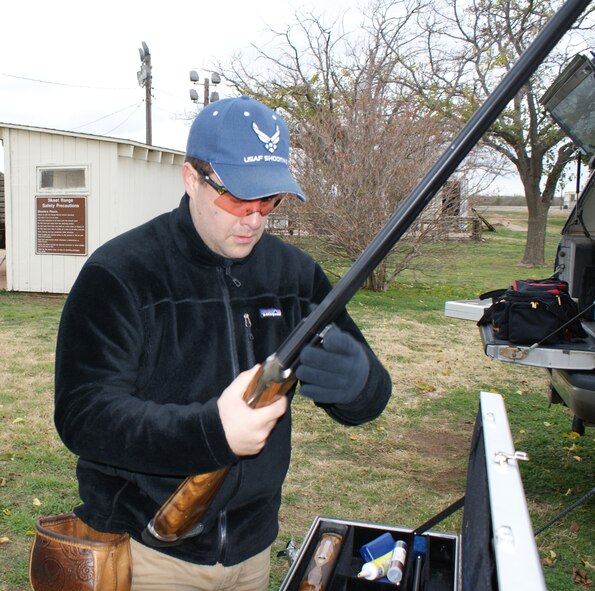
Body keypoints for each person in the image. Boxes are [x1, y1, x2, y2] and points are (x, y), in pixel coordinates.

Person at [54, 95, 392, 591]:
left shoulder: (295, 275)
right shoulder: (121, 273)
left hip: (253, 553)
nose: (255, 219)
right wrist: (211, 432)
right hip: (148, 552)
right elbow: (84, 416)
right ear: (192, 179)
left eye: (269, 201)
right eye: (237, 198)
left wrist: (360, 385)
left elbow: (372, 396)